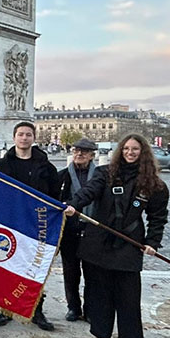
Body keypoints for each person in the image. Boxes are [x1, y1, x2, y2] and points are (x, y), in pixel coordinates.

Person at [65, 134, 169, 338]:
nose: (130, 153)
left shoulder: (155, 185)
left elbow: (157, 217)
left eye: (135, 149)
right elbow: (88, 193)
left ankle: (132, 337)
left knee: (129, 292)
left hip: (130, 243)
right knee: (99, 290)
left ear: (143, 154)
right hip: (99, 239)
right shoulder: (105, 174)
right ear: (120, 151)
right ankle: (101, 333)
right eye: (126, 149)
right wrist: (73, 205)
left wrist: (152, 242)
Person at [0, 121, 58, 331]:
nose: (24, 138)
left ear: (34, 138)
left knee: (36, 268)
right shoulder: (0, 165)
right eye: (20, 134)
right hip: (9, 224)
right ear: (14, 138)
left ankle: (36, 310)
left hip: (37, 225)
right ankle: (6, 308)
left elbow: (55, 196)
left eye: (28, 134)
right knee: (8, 266)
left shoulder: (48, 168)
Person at [58, 138, 98, 322]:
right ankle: (73, 307)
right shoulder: (62, 176)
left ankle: (90, 309)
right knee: (71, 272)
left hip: (92, 231)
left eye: (84, 151)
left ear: (92, 155)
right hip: (70, 231)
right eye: (76, 150)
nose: (79, 154)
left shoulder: (100, 176)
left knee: (92, 274)